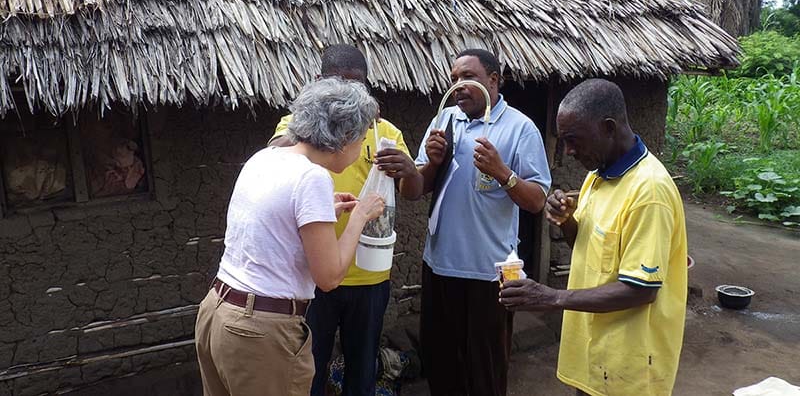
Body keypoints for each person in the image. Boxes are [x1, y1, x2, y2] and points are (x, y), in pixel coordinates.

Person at [194, 77, 386, 396]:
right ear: (346, 137)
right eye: (363, 137)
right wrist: (360, 217)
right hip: (260, 331)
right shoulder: (312, 177)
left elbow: (277, 222)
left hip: (218, 312)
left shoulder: (265, 157)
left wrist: (324, 211)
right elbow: (329, 276)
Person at [499, 79, 688, 396]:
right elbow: (587, 248)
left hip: (630, 368)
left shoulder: (648, 191)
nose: (569, 151)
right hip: (597, 358)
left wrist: (551, 297)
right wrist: (567, 221)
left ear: (609, 128)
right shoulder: (597, 177)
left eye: (574, 140)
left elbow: (640, 290)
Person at [270, 44, 424, 396]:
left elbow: (413, 191)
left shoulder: (383, 131)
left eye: (358, 85)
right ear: (319, 82)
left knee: (362, 365)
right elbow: (277, 151)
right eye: (340, 83)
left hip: (369, 274)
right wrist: (325, 118)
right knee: (310, 364)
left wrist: (409, 169)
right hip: (316, 275)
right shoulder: (300, 125)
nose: (350, 92)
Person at [415, 48, 551, 396]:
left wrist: (502, 173)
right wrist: (431, 162)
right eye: (454, 80)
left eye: (468, 77)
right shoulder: (444, 122)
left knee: (485, 369)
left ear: (494, 80)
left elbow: (537, 200)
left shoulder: (521, 128)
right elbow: (419, 186)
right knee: (441, 361)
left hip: (489, 274)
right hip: (440, 266)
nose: (459, 86)